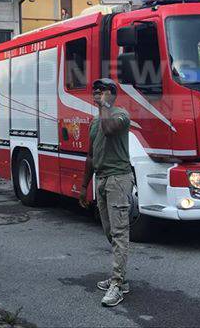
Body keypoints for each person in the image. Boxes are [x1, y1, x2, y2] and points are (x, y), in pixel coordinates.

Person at [79, 78, 132, 307]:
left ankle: (118, 284)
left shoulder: (121, 115)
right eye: (94, 91)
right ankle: (121, 278)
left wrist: (105, 105)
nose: (96, 94)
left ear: (112, 94)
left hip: (119, 179)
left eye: (101, 91)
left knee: (119, 232)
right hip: (101, 179)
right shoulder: (94, 121)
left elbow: (110, 131)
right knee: (109, 230)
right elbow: (91, 156)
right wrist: (83, 186)